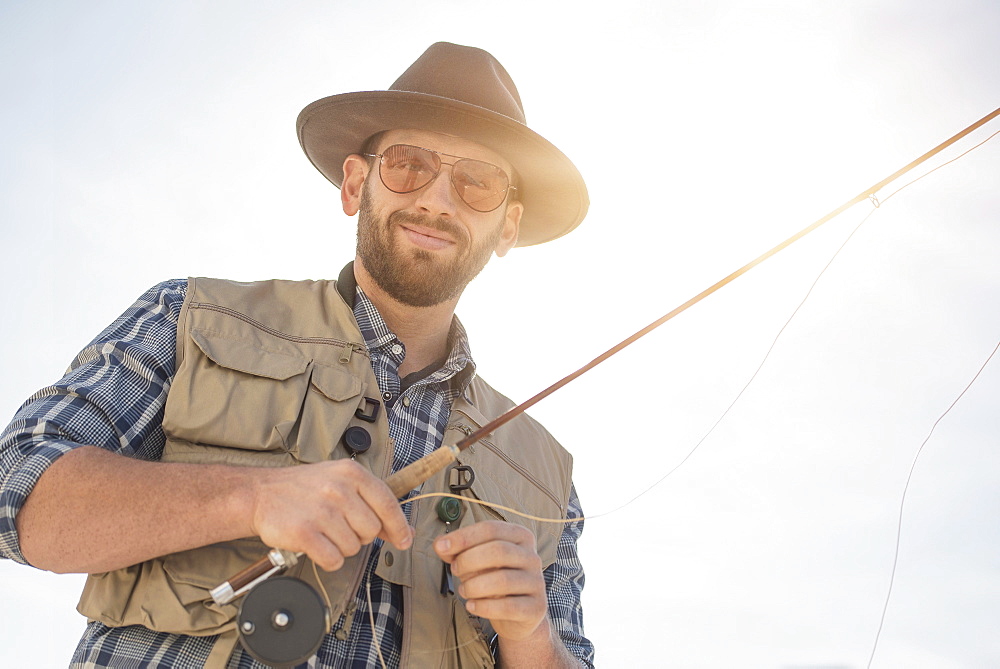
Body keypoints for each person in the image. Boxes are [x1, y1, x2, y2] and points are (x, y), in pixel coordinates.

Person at [0, 42, 593, 668]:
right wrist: (249, 499)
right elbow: (16, 492)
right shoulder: (186, 316)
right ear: (356, 184)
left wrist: (530, 637)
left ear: (507, 226)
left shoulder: (548, 479)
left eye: (478, 182)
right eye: (410, 165)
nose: (438, 201)